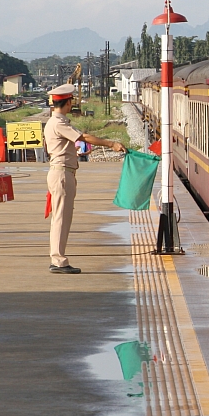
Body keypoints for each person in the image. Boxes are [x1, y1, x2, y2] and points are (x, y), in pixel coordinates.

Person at [45, 84, 125, 274]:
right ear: (67, 103)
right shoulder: (58, 123)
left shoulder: (57, 121)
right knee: (61, 219)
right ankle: (58, 260)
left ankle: (57, 258)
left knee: (61, 217)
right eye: (71, 100)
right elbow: (84, 137)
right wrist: (111, 143)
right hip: (62, 173)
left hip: (63, 172)